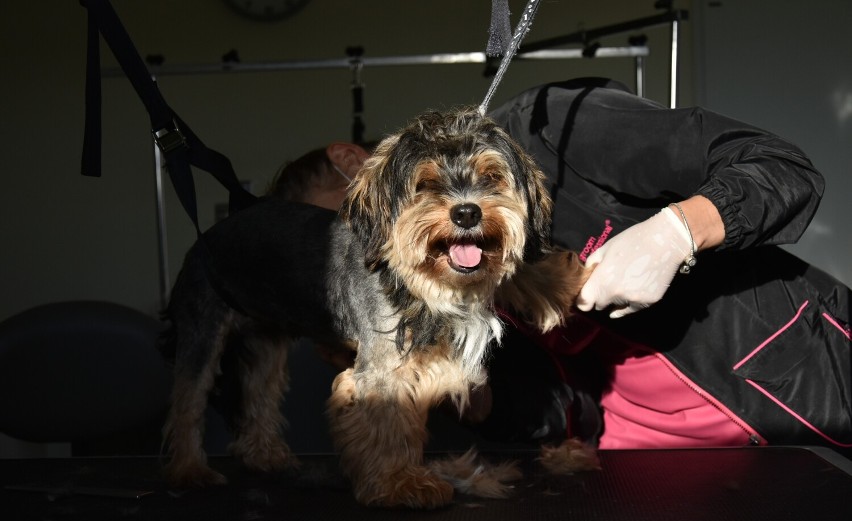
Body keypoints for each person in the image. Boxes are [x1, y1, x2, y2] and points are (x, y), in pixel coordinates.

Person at [268, 77, 852, 456]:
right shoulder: (437, 280)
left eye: (349, 231)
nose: (364, 267)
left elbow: (783, 169)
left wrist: (674, 234)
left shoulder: (556, 128)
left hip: (812, 393)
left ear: (349, 164)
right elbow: (571, 409)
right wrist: (479, 400)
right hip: (655, 464)